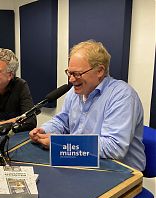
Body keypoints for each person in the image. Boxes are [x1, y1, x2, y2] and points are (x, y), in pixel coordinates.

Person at [29, 40, 146, 171]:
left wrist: (61, 144)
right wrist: (44, 130)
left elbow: (114, 147)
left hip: (119, 172)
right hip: (82, 162)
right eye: (69, 73)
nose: (71, 80)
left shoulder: (122, 96)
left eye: (77, 74)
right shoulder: (76, 92)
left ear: (100, 71)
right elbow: (62, 121)